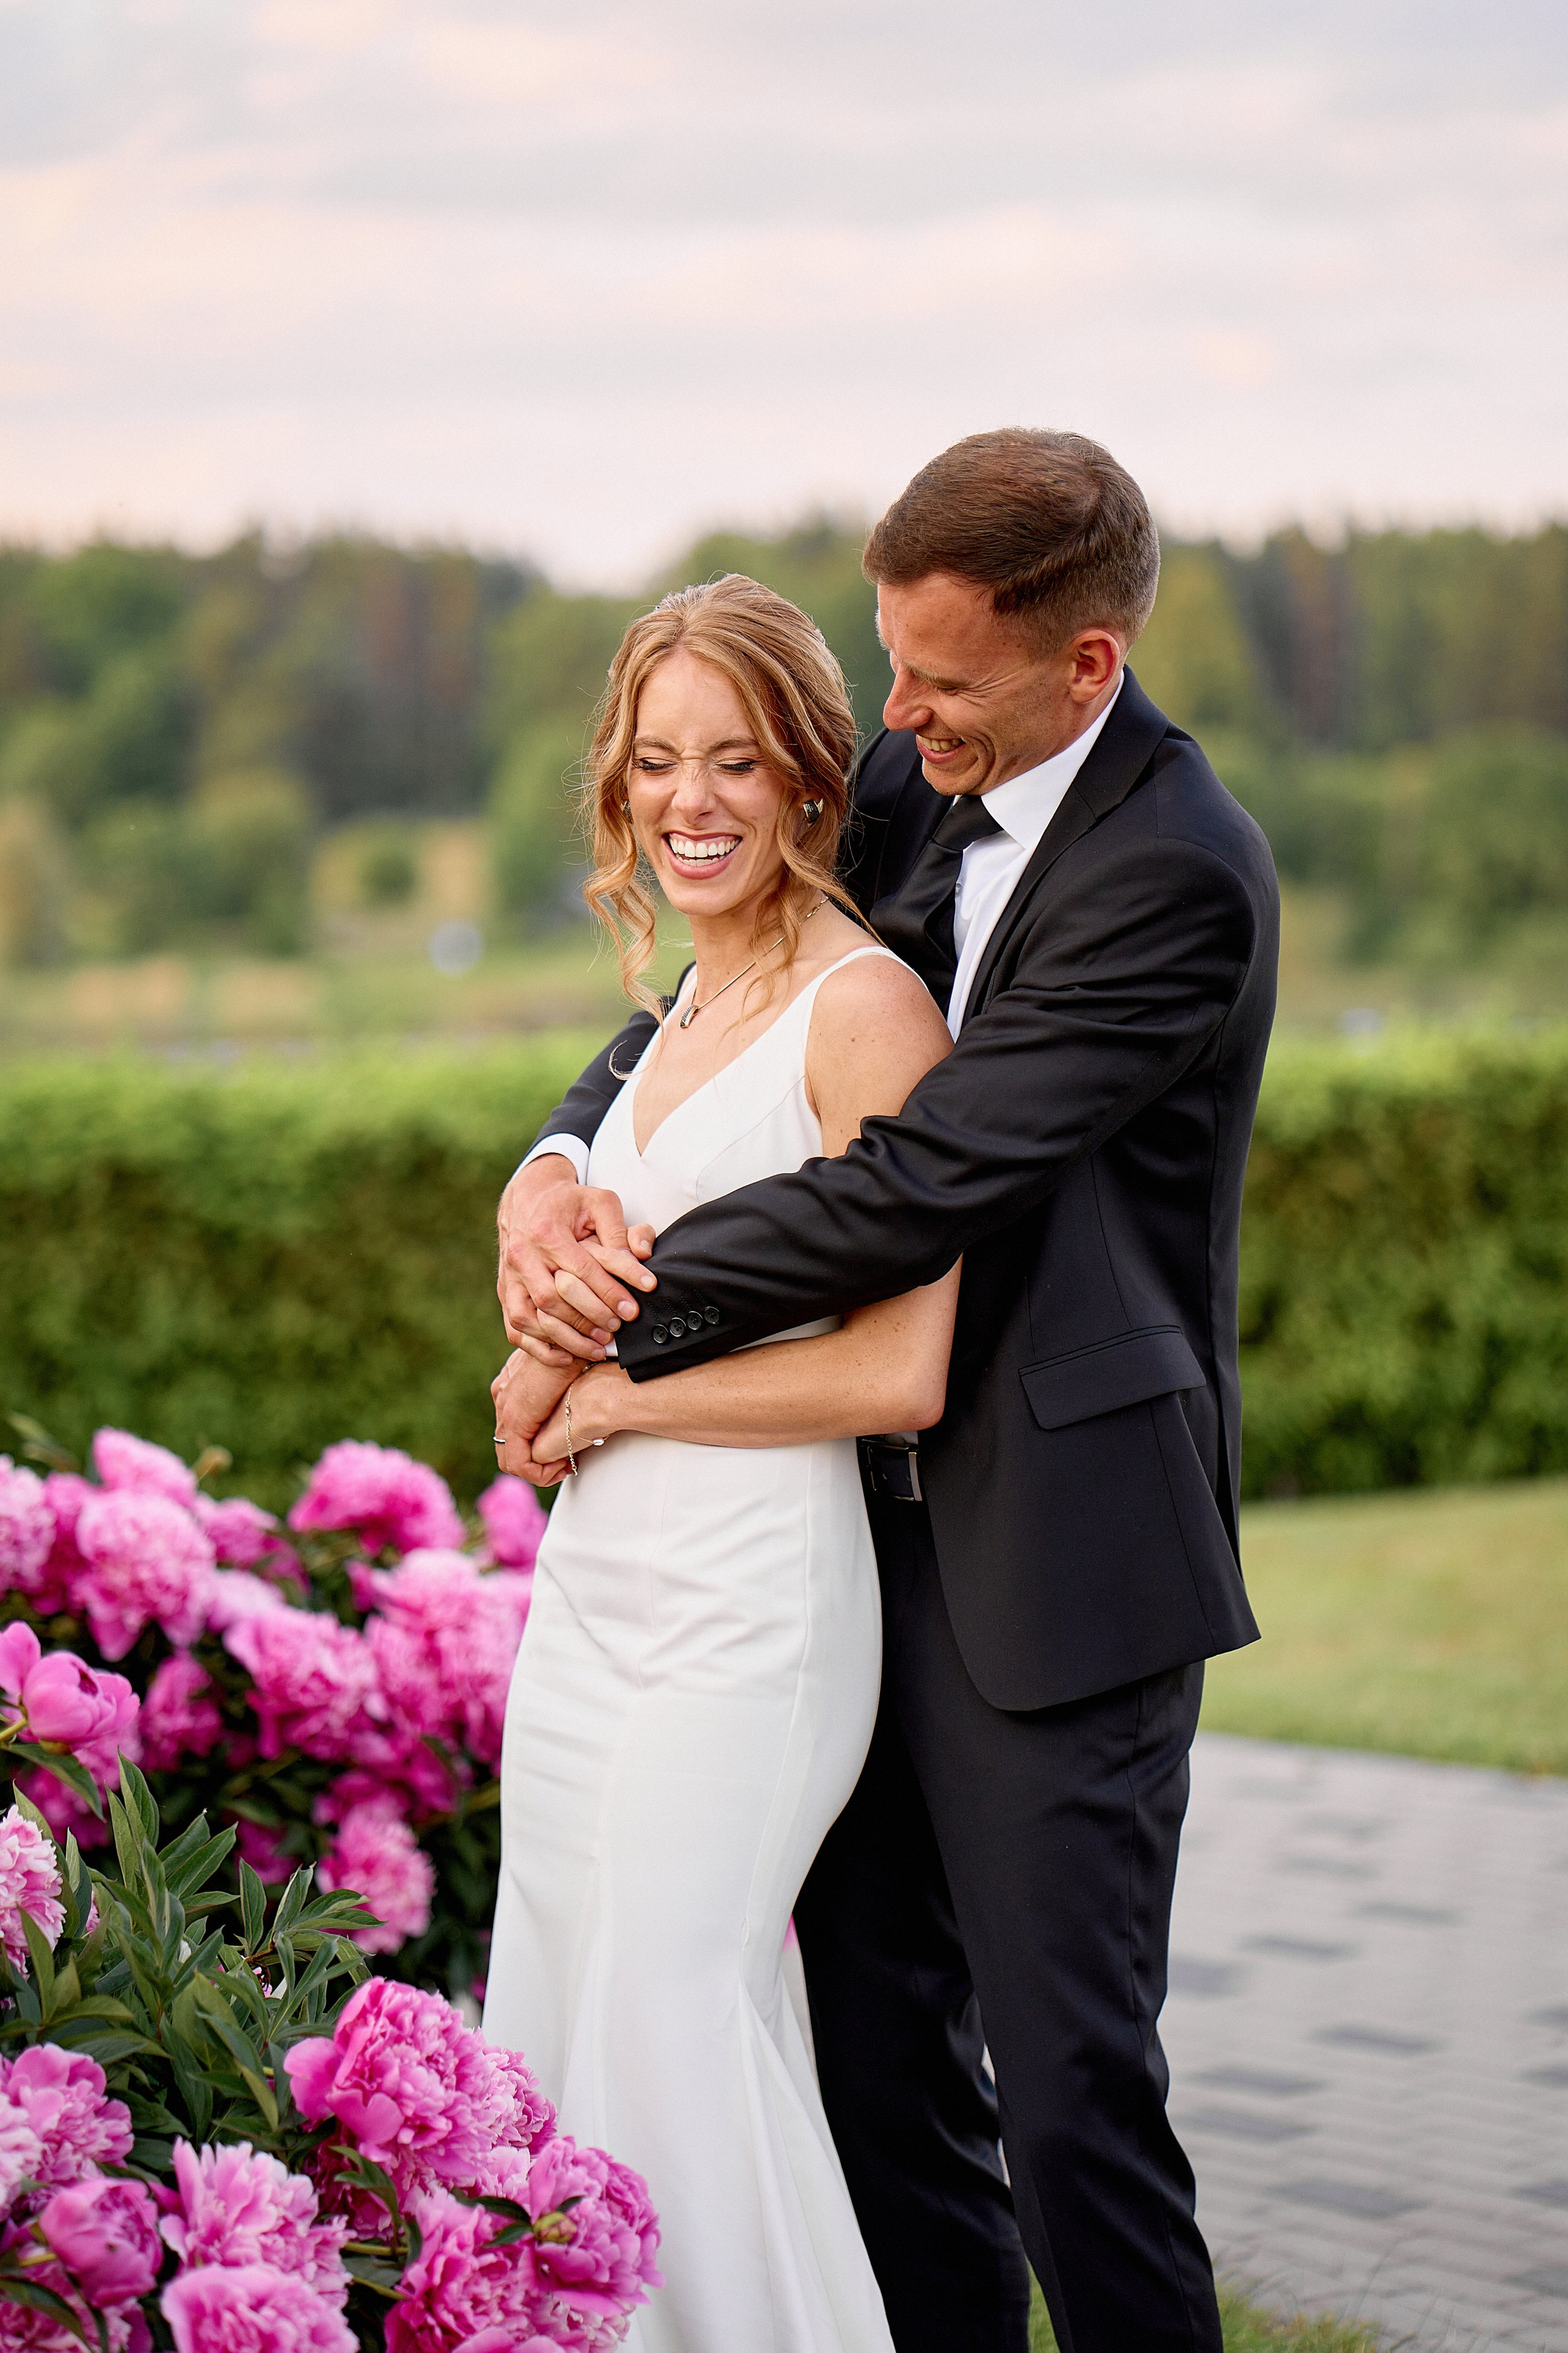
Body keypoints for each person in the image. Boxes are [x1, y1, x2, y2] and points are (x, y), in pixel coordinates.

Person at [494, 428, 1281, 2353]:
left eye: (939, 674)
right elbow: (710, 995)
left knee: (1077, 2090)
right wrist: (549, 1164)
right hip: (830, 1545)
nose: (897, 708)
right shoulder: (930, 788)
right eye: (886, 656)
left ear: (1083, 664)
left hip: (1057, 1547)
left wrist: (604, 1326)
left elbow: (917, 1183)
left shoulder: (1179, 872)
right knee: (878, 2070)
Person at [483, 572, 960, 2353]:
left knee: (678, 2017)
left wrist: (613, 1403)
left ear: (812, 782)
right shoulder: (680, 1013)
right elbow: (617, 1257)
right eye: (659, 761)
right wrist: (545, 1225)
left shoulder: (865, 1011)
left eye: (736, 762)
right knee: (555, 2001)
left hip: (753, 1610)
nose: (691, 800)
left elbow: (904, 1367)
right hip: (594, 1598)